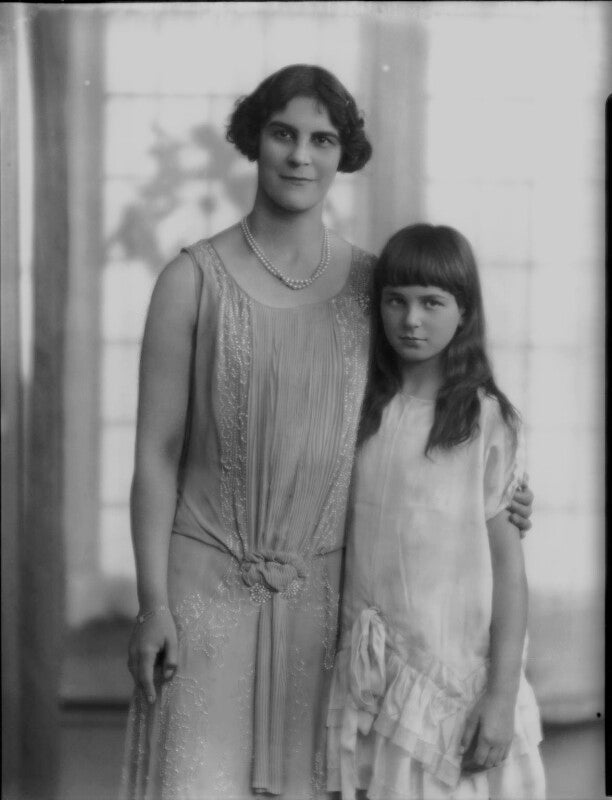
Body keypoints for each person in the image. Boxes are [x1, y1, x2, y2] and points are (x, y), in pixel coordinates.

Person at [121, 66, 534, 800]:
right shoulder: (190, 281)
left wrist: (501, 494)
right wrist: (153, 603)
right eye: (283, 134)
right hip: (202, 594)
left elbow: (423, 414)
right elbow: (155, 455)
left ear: (344, 154)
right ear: (253, 140)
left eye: (322, 140)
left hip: (325, 613)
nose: (300, 156)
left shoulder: (374, 287)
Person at [326, 224, 545, 800]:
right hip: (369, 675)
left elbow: (509, 573)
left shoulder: (485, 421)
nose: (411, 320)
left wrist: (500, 697)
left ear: (463, 310)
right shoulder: (357, 409)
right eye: (395, 301)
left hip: (448, 676)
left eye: (431, 302)